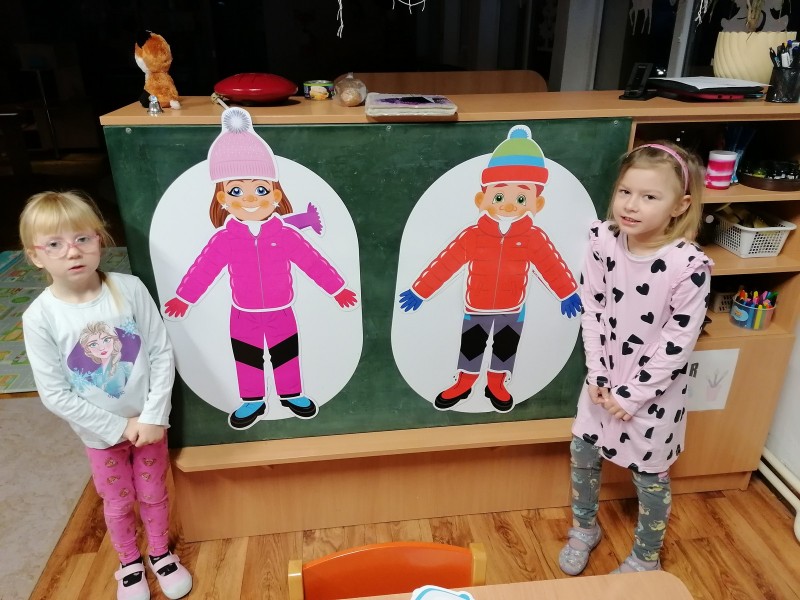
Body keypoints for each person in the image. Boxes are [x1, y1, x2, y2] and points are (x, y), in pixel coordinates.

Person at [20, 191, 192, 600]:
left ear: (99, 239)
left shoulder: (129, 289)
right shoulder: (40, 317)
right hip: (101, 436)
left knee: (153, 493)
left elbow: (160, 352)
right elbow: (54, 394)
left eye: (82, 238)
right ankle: (129, 562)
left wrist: (153, 415)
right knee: (116, 501)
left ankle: (160, 553)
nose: (72, 252)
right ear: (35, 256)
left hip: (149, 426)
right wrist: (118, 427)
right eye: (55, 244)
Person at [559, 142, 712, 576]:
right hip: (603, 380)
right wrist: (597, 372)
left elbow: (677, 342)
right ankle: (584, 528)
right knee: (582, 452)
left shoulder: (688, 266)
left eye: (649, 196)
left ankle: (646, 557)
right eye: (625, 191)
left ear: (680, 206)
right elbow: (593, 307)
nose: (630, 205)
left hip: (653, 394)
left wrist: (632, 396)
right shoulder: (604, 240)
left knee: (649, 477)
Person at [162, 106, 358, 430]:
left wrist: (337, 289)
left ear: (276, 195)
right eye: (236, 191)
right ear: (223, 199)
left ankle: (291, 394)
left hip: (282, 312)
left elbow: (312, 262)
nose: (250, 199)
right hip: (243, 314)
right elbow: (204, 269)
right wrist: (185, 298)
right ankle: (253, 400)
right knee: (247, 358)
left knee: (286, 354)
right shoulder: (225, 238)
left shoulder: (286, 234)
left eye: (261, 189)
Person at [398, 125, 582, 412]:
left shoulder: (533, 237)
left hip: (513, 308)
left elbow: (551, 266)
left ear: (537, 203)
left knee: (505, 347)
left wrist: (567, 293)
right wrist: (420, 291)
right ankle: (465, 382)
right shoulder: (473, 235)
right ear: (481, 199)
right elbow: (445, 264)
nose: (508, 206)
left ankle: (497, 383)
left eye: (520, 199)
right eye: (498, 197)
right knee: (471, 346)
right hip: (476, 307)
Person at [79, 321, 133, 398]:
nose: (102, 348)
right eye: (93, 344)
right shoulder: (94, 375)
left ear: (114, 340)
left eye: (106, 340)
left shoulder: (126, 366)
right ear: (88, 349)